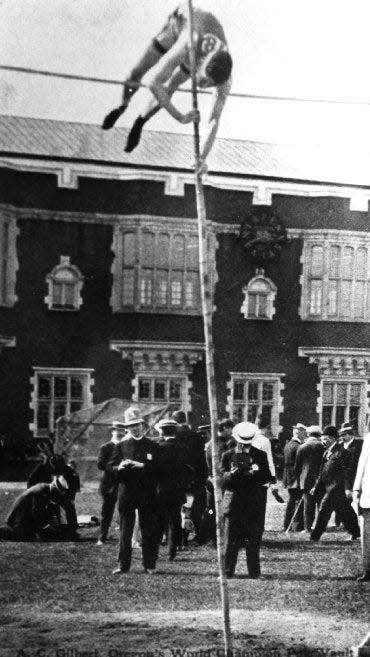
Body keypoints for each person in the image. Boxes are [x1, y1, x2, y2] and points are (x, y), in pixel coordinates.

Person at [102, 3, 232, 166]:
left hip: (200, 41)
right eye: (204, 80)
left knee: (170, 89)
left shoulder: (226, 78)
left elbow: (214, 120)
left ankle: (140, 121)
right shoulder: (187, 45)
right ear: (201, 64)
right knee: (137, 73)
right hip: (180, 25)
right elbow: (153, 82)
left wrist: (201, 158)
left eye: (208, 85)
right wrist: (180, 117)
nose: (201, 86)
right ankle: (123, 106)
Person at [110, 407, 159, 575]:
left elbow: (161, 468)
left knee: (148, 530)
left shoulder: (152, 445)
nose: (135, 428)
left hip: (147, 494)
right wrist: (120, 467)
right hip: (127, 494)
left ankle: (149, 565)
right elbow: (110, 466)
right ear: (127, 428)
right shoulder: (121, 445)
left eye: (137, 425)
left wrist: (143, 466)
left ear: (143, 425)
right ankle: (123, 565)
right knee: (125, 531)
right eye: (131, 426)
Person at [221, 421, 271, 579]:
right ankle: (227, 571)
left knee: (253, 540)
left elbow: (267, 477)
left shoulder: (260, 455)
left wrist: (253, 473)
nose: (245, 447)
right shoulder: (228, 455)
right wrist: (231, 474)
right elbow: (221, 479)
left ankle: (254, 572)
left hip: (252, 503)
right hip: (234, 502)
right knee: (230, 541)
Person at [310, 427, 360, 542]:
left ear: (333, 439)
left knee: (324, 510)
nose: (324, 441)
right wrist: (316, 487)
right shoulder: (326, 453)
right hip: (328, 487)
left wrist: (348, 488)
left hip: (337, 488)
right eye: (323, 439)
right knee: (345, 512)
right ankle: (356, 532)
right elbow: (321, 472)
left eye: (326, 439)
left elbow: (347, 472)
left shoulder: (343, 452)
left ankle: (315, 536)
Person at [0, 475, 79, 541]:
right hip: (18, 522)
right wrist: (50, 528)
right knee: (43, 536)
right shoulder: (40, 491)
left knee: (53, 533)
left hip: (27, 519)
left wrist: (65, 528)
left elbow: (59, 511)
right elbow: (37, 515)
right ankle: (6, 532)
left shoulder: (47, 491)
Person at [155, 418, 189, 561]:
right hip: (177, 489)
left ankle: (155, 551)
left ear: (161, 431)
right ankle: (171, 552)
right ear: (175, 431)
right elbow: (187, 469)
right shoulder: (183, 447)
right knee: (174, 520)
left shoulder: (158, 447)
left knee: (159, 520)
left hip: (160, 489)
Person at [171, 410, 208, 544]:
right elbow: (201, 459)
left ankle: (180, 537)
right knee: (193, 507)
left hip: (178, 477)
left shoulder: (174, 436)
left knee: (179, 506)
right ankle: (193, 535)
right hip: (195, 477)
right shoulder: (197, 437)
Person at [96, 420, 127, 546]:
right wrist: (115, 468)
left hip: (123, 483)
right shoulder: (106, 447)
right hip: (109, 484)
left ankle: (124, 537)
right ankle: (102, 537)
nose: (120, 433)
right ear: (112, 431)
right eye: (117, 430)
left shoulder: (127, 446)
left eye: (122, 431)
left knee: (124, 511)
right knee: (107, 512)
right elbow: (100, 464)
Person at [295, 425, 325, 533]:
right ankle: (320, 527)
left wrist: (299, 481)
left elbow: (297, 466)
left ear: (308, 434)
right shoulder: (323, 446)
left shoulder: (302, 447)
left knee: (308, 506)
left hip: (306, 480)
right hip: (320, 479)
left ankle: (307, 528)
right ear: (319, 435)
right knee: (320, 504)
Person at [352, 432, 370, 582]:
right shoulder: (369, 438)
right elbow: (362, 464)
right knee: (366, 536)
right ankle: (368, 570)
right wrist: (356, 489)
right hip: (368, 496)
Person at [282, 423, 307, 531]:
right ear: (300, 432)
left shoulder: (288, 444)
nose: (305, 435)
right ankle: (296, 526)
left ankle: (287, 524)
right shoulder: (298, 446)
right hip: (295, 478)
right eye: (304, 433)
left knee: (291, 502)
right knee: (297, 502)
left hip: (289, 477)